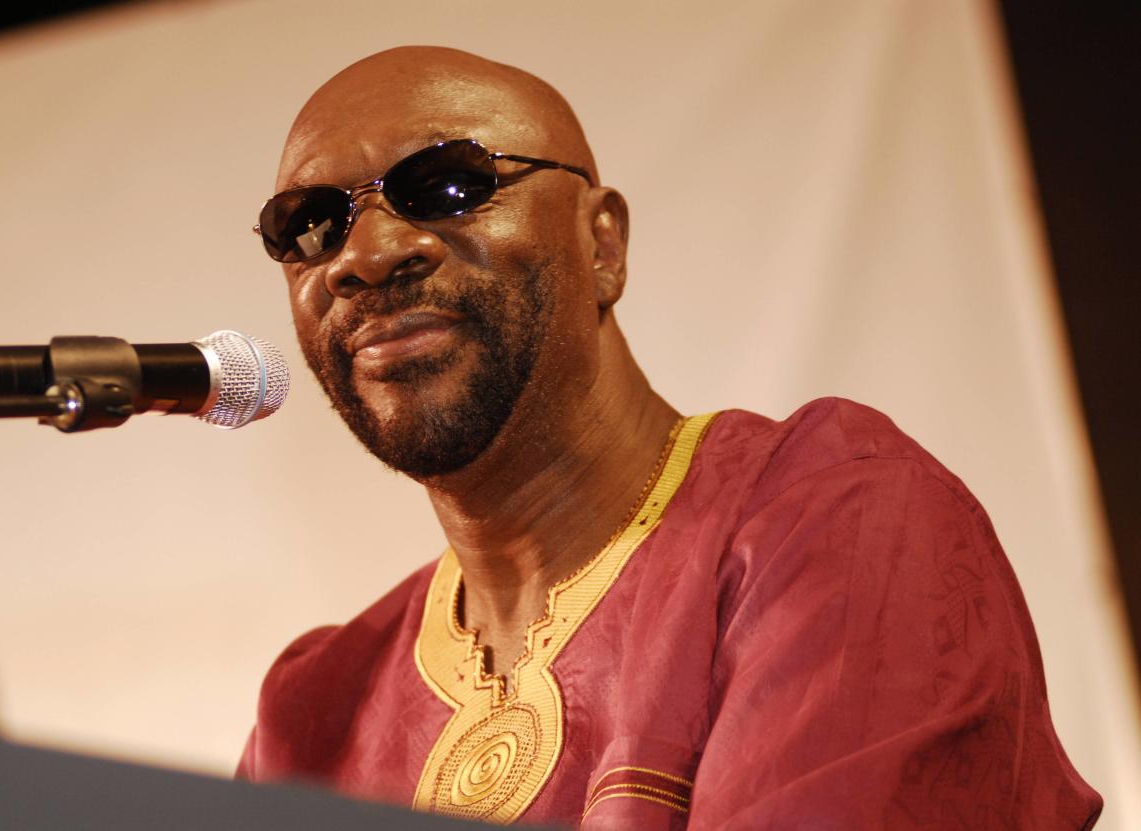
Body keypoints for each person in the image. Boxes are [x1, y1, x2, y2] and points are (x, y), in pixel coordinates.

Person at [238, 46, 1101, 829]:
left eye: (447, 184)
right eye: (309, 224)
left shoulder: (832, 520)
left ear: (602, 242)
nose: (367, 253)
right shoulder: (313, 711)